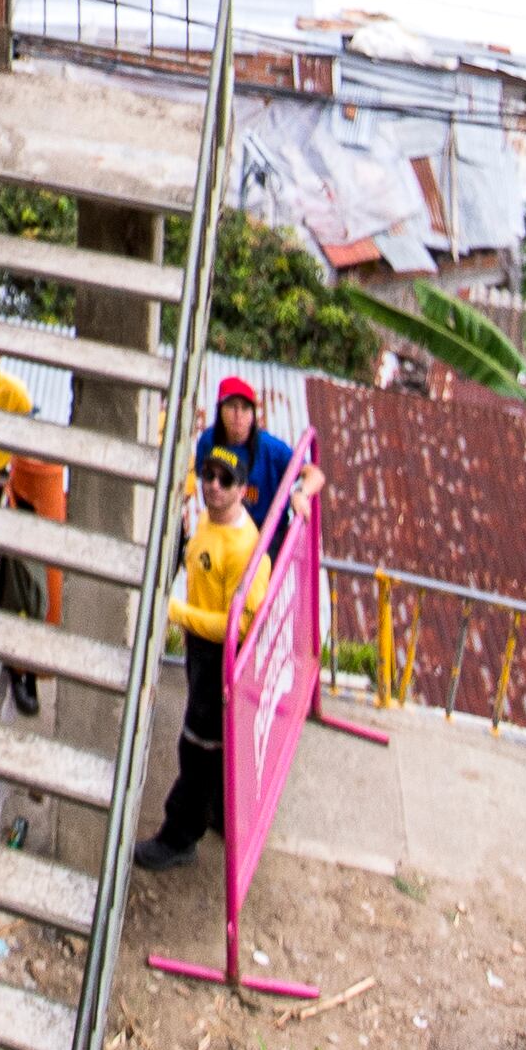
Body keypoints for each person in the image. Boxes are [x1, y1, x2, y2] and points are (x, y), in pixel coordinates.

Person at [132, 448, 261, 872]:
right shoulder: (209, 516)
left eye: (225, 480)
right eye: (208, 474)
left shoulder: (242, 548)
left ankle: (179, 836)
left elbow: (239, 626)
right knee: (215, 744)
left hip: (221, 655)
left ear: (243, 490)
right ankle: (221, 813)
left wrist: (175, 612)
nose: (213, 486)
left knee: (197, 745)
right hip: (200, 648)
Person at [0, 359, 67, 711]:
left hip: (10, 492)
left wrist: (5, 478)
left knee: (33, 586)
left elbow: (27, 447)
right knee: (15, 584)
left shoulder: (12, 393)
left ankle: (25, 667)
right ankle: (17, 667)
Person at [196, 373, 300, 526]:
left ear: (253, 414)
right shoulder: (208, 441)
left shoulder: (269, 447)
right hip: (222, 524)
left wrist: (301, 492)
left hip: (267, 531)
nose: (238, 415)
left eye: (245, 408)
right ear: (220, 410)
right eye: (232, 406)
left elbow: (312, 473)